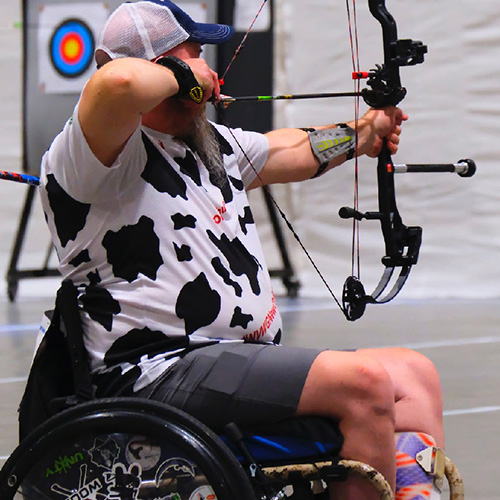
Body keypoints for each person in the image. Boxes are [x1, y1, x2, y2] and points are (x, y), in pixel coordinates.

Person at [39, 1, 444, 499]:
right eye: (195, 52)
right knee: (361, 382)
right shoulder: (92, 156)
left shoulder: (208, 146)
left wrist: (363, 134)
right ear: (166, 66)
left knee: (413, 375)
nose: (208, 64)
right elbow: (116, 85)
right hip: (157, 371)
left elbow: (291, 150)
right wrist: (179, 73)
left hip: (233, 361)